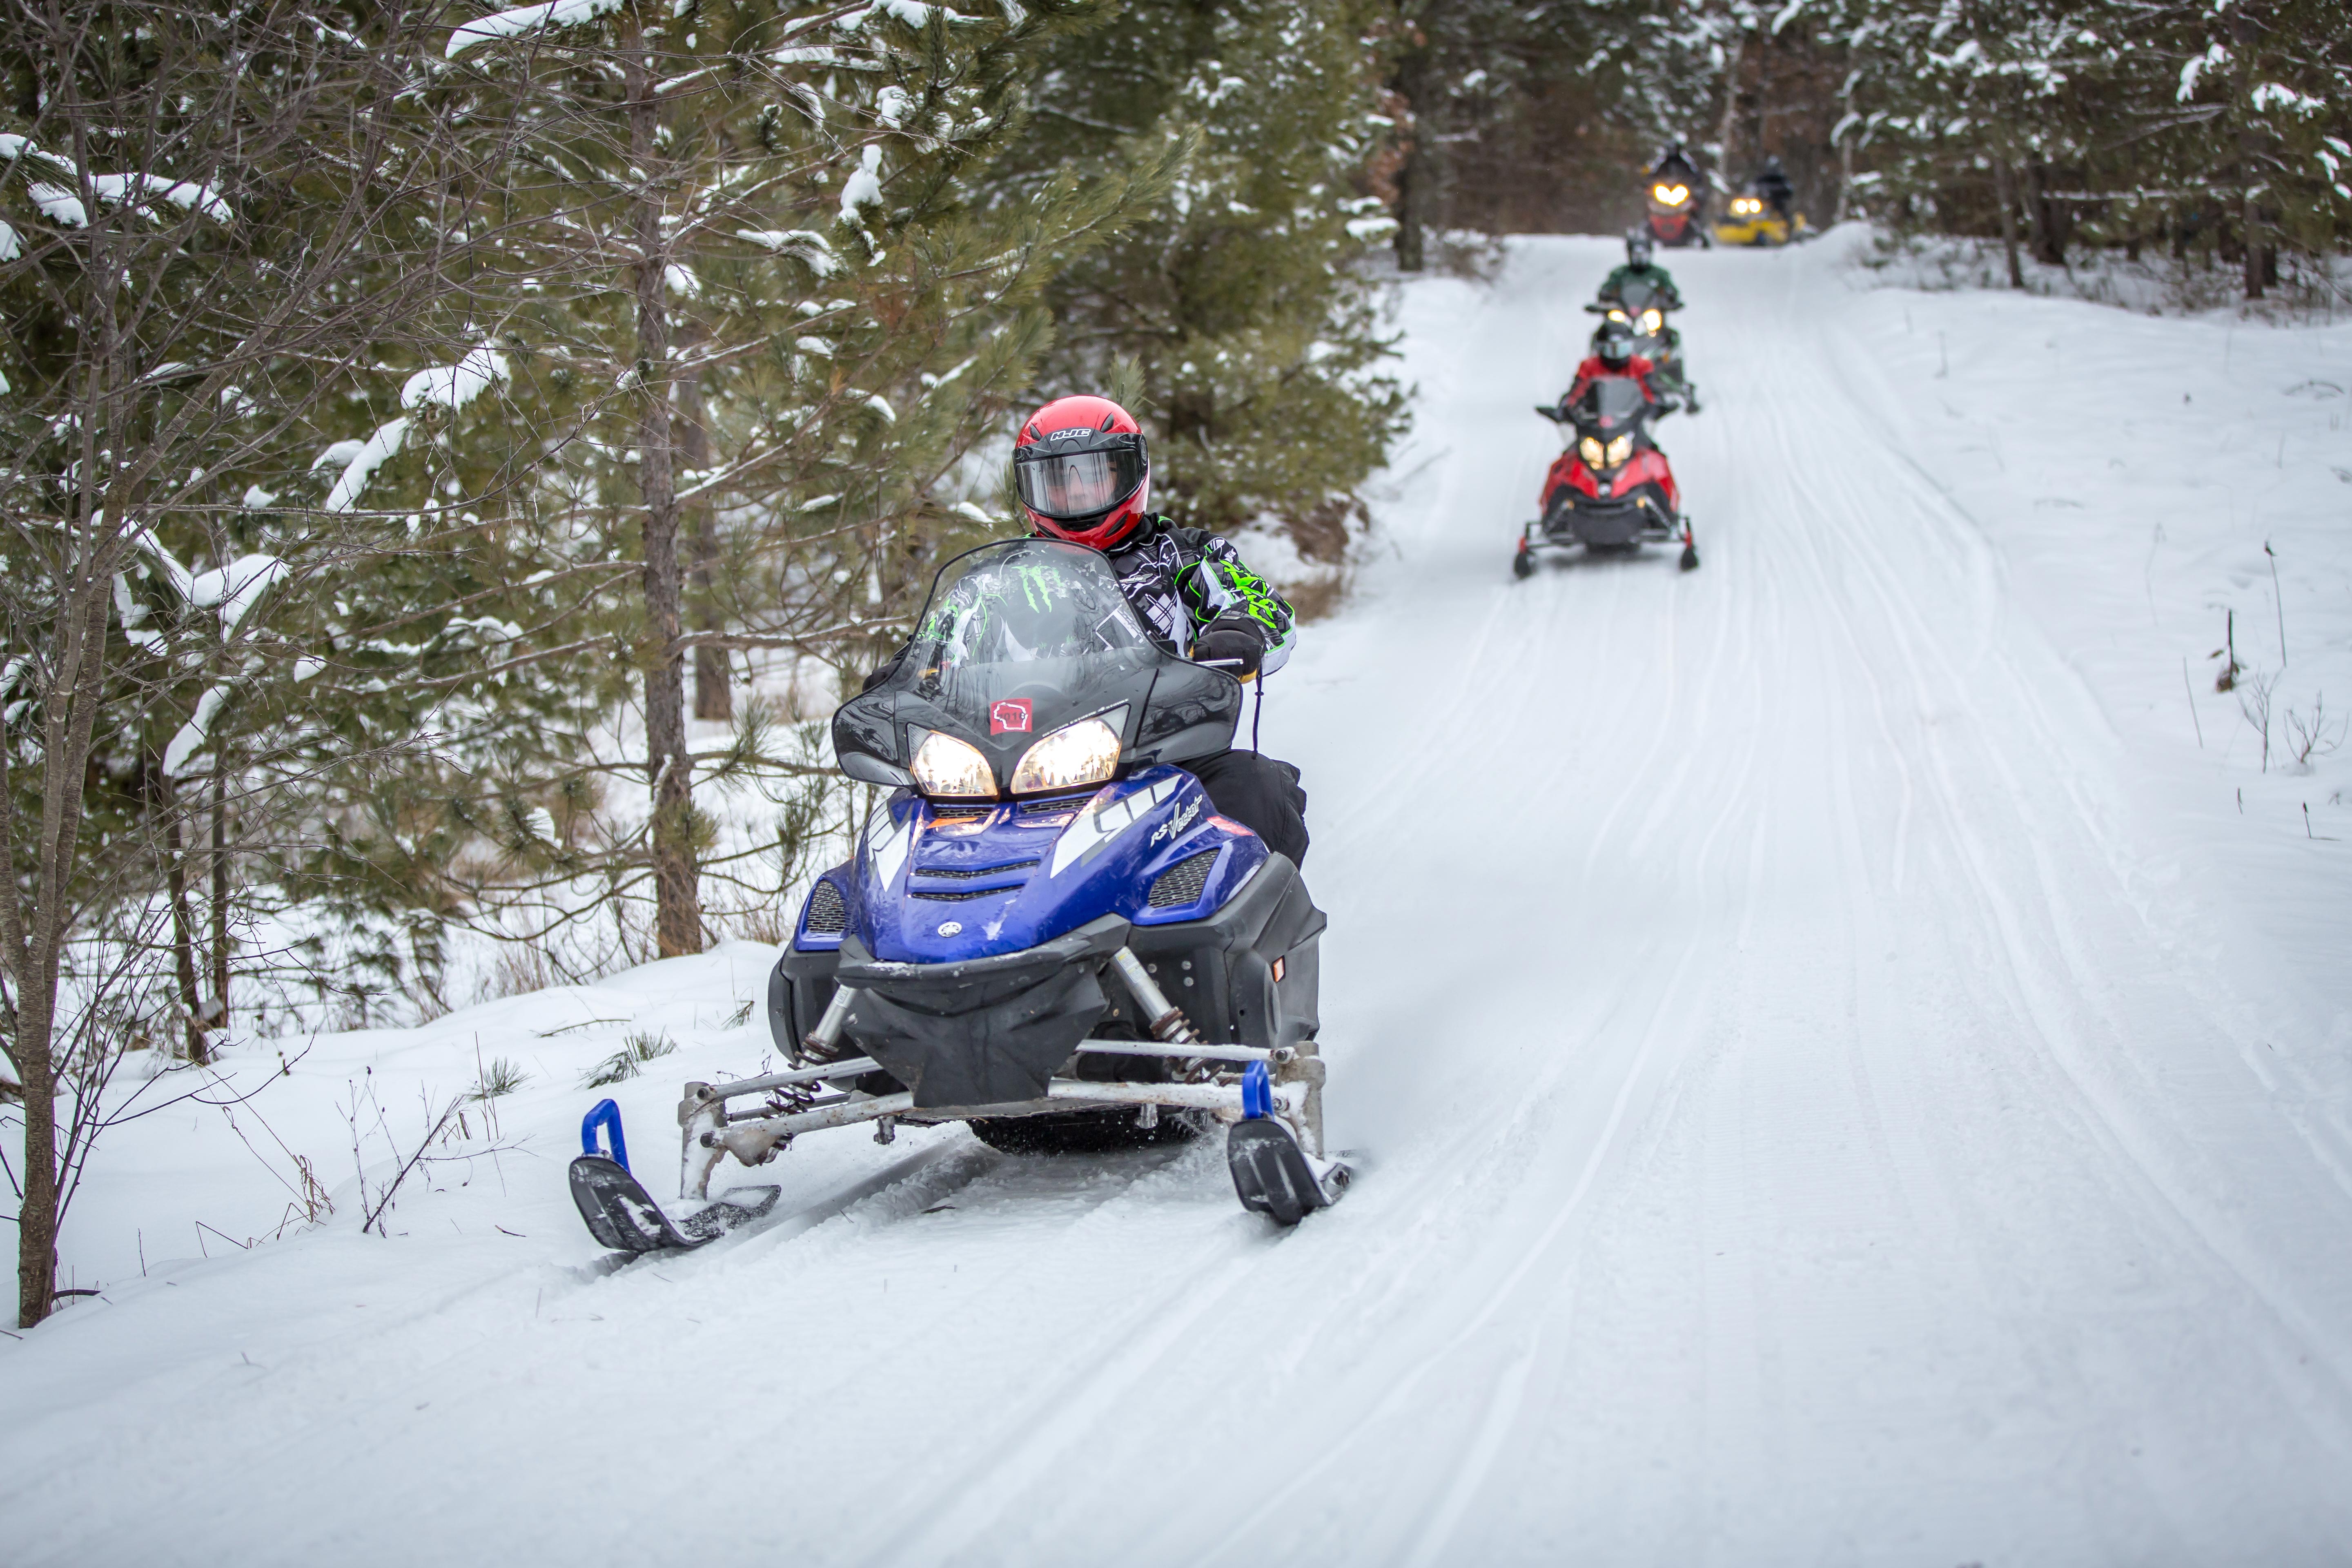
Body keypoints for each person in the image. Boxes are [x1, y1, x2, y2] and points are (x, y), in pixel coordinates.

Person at [871, 394, 1311, 866]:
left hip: (1162, 751)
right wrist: (902, 677)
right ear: (1031, 488)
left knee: (1252, 783)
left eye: (1095, 476)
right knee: (907, 814)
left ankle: (1238, 925)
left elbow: (1266, 610)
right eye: (1058, 482)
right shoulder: (996, 580)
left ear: (1129, 473)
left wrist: (1238, 631)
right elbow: (940, 640)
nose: (1077, 496)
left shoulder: (1183, 554)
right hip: (1019, 764)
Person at [1559, 317, 1672, 412]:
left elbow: (1650, 392)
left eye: (1622, 348)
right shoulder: (1589, 366)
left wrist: (1658, 407)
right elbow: (1576, 392)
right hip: (1596, 418)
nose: (1616, 355)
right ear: (1600, 348)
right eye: (1610, 349)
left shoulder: (1641, 366)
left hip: (1631, 419)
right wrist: (1564, 409)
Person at [1598, 230, 1684, 312]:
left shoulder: (1659, 274)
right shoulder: (1619, 274)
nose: (1640, 259)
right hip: (1623, 314)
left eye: (1643, 255)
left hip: (1651, 314)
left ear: (1650, 254)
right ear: (1630, 254)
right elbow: (1608, 289)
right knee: (1608, 327)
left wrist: (1670, 295)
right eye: (1636, 255)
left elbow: (1670, 289)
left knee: (1666, 329)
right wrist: (1606, 295)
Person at [1753, 156, 1795, 223]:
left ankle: (1789, 229)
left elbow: (1789, 190)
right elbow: (1752, 187)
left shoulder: (1782, 180)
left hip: (1778, 205)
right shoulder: (1763, 179)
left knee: (1787, 219)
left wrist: (1777, 192)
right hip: (1761, 205)